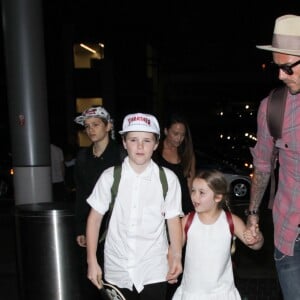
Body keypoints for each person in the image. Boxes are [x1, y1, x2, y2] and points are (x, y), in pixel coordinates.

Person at [85, 112, 183, 300]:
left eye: (146, 140)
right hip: (117, 267)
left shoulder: (168, 179)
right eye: (133, 139)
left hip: (154, 267)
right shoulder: (110, 176)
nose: (139, 146)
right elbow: (94, 219)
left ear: (156, 144)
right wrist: (92, 260)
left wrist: (176, 256)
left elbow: (172, 220)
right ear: (124, 142)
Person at [246, 14, 300, 300]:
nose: (280, 75)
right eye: (277, 67)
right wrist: (253, 214)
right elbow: (264, 165)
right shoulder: (272, 107)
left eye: (288, 67)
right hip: (290, 237)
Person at [173, 169, 264, 300]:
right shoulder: (187, 221)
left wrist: (256, 238)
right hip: (191, 292)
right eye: (193, 191)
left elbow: (255, 245)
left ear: (218, 197)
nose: (194, 197)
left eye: (201, 193)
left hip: (222, 293)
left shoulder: (231, 221)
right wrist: (171, 264)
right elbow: (174, 250)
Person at [73, 105, 125, 300]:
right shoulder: (83, 156)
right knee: (90, 279)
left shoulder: (121, 155)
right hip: (91, 224)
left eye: (95, 124)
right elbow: (81, 194)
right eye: (87, 126)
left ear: (108, 126)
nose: (90, 130)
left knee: (114, 282)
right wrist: (80, 227)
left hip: (116, 226)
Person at [153, 113, 196, 215]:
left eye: (182, 135)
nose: (179, 138)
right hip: (161, 207)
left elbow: (190, 184)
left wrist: (195, 207)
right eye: (175, 134)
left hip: (184, 207)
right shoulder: (155, 151)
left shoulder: (187, 153)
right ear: (166, 131)